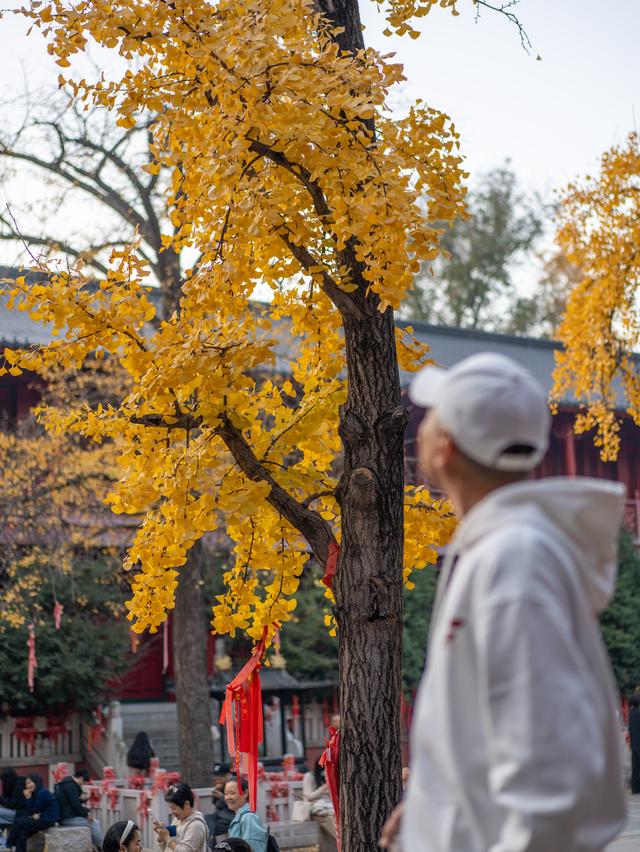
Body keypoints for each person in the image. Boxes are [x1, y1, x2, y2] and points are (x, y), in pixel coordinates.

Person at [381, 352, 627, 851]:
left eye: (428, 419)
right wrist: (437, 802)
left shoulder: (514, 560)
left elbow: (549, 778)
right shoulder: (507, 550)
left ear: (444, 447)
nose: (419, 428)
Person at [8, 773, 60, 852]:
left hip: (48, 820)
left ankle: (9, 844)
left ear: (36, 781)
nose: (27, 786)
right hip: (41, 818)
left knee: (18, 821)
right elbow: (31, 811)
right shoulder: (36, 793)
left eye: (29, 782)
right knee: (22, 832)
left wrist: (28, 798)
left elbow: (34, 810)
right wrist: (34, 813)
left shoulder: (42, 792)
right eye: (26, 784)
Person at [56, 767, 104, 849]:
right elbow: (75, 805)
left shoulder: (66, 784)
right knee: (94, 823)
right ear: (81, 778)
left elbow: (71, 802)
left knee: (93, 823)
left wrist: (82, 800)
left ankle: (98, 846)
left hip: (65, 817)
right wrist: (86, 814)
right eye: (83, 782)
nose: (82, 784)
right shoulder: (71, 786)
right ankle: (104, 847)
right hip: (68, 818)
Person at [153, 782, 208, 852]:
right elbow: (167, 848)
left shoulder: (196, 825)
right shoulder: (178, 820)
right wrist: (161, 836)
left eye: (174, 808)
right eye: (171, 808)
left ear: (187, 804)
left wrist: (167, 837)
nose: (172, 812)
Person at [302, 757, 336, 852]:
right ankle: (341, 838)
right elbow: (308, 797)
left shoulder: (328, 776)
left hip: (328, 807)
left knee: (326, 834)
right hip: (315, 808)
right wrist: (323, 788)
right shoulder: (309, 776)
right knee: (328, 817)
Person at [224, 780, 267, 852]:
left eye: (232, 793)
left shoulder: (249, 817)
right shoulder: (240, 816)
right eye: (226, 794)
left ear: (245, 793)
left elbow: (254, 848)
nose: (228, 797)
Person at [204, 765, 233, 847]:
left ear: (227, 776)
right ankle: (211, 846)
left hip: (231, 816)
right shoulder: (221, 786)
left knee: (209, 828)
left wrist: (222, 797)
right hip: (220, 815)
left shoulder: (234, 785)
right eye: (215, 776)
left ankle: (210, 846)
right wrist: (216, 792)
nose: (216, 779)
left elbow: (235, 805)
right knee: (206, 818)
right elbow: (215, 803)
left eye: (219, 776)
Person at [629, 697, 640, 794]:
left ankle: (635, 789)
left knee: (635, 768)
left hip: (634, 745)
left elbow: (631, 730)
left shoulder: (631, 715)